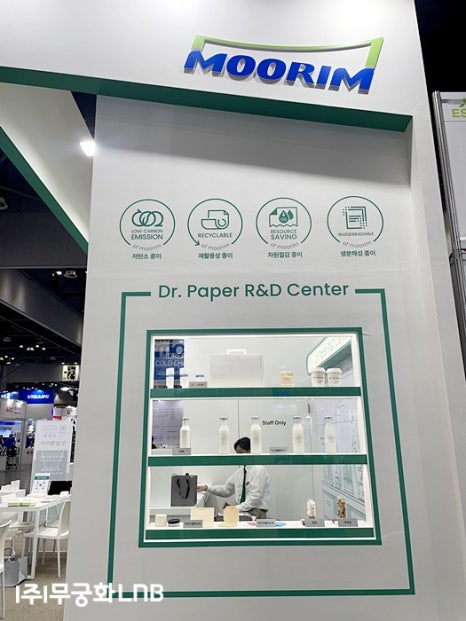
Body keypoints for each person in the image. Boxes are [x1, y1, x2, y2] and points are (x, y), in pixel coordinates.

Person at [197, 436, 271, 519]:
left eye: (240, 452)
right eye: (237, 453)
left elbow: (255, 498)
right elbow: (226, 490)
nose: (238, 456)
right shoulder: (240, 471)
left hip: (256, 512)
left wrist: (235, 508)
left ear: (250, 451)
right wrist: (207, 488)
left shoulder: (259, 469)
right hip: (242, 511)